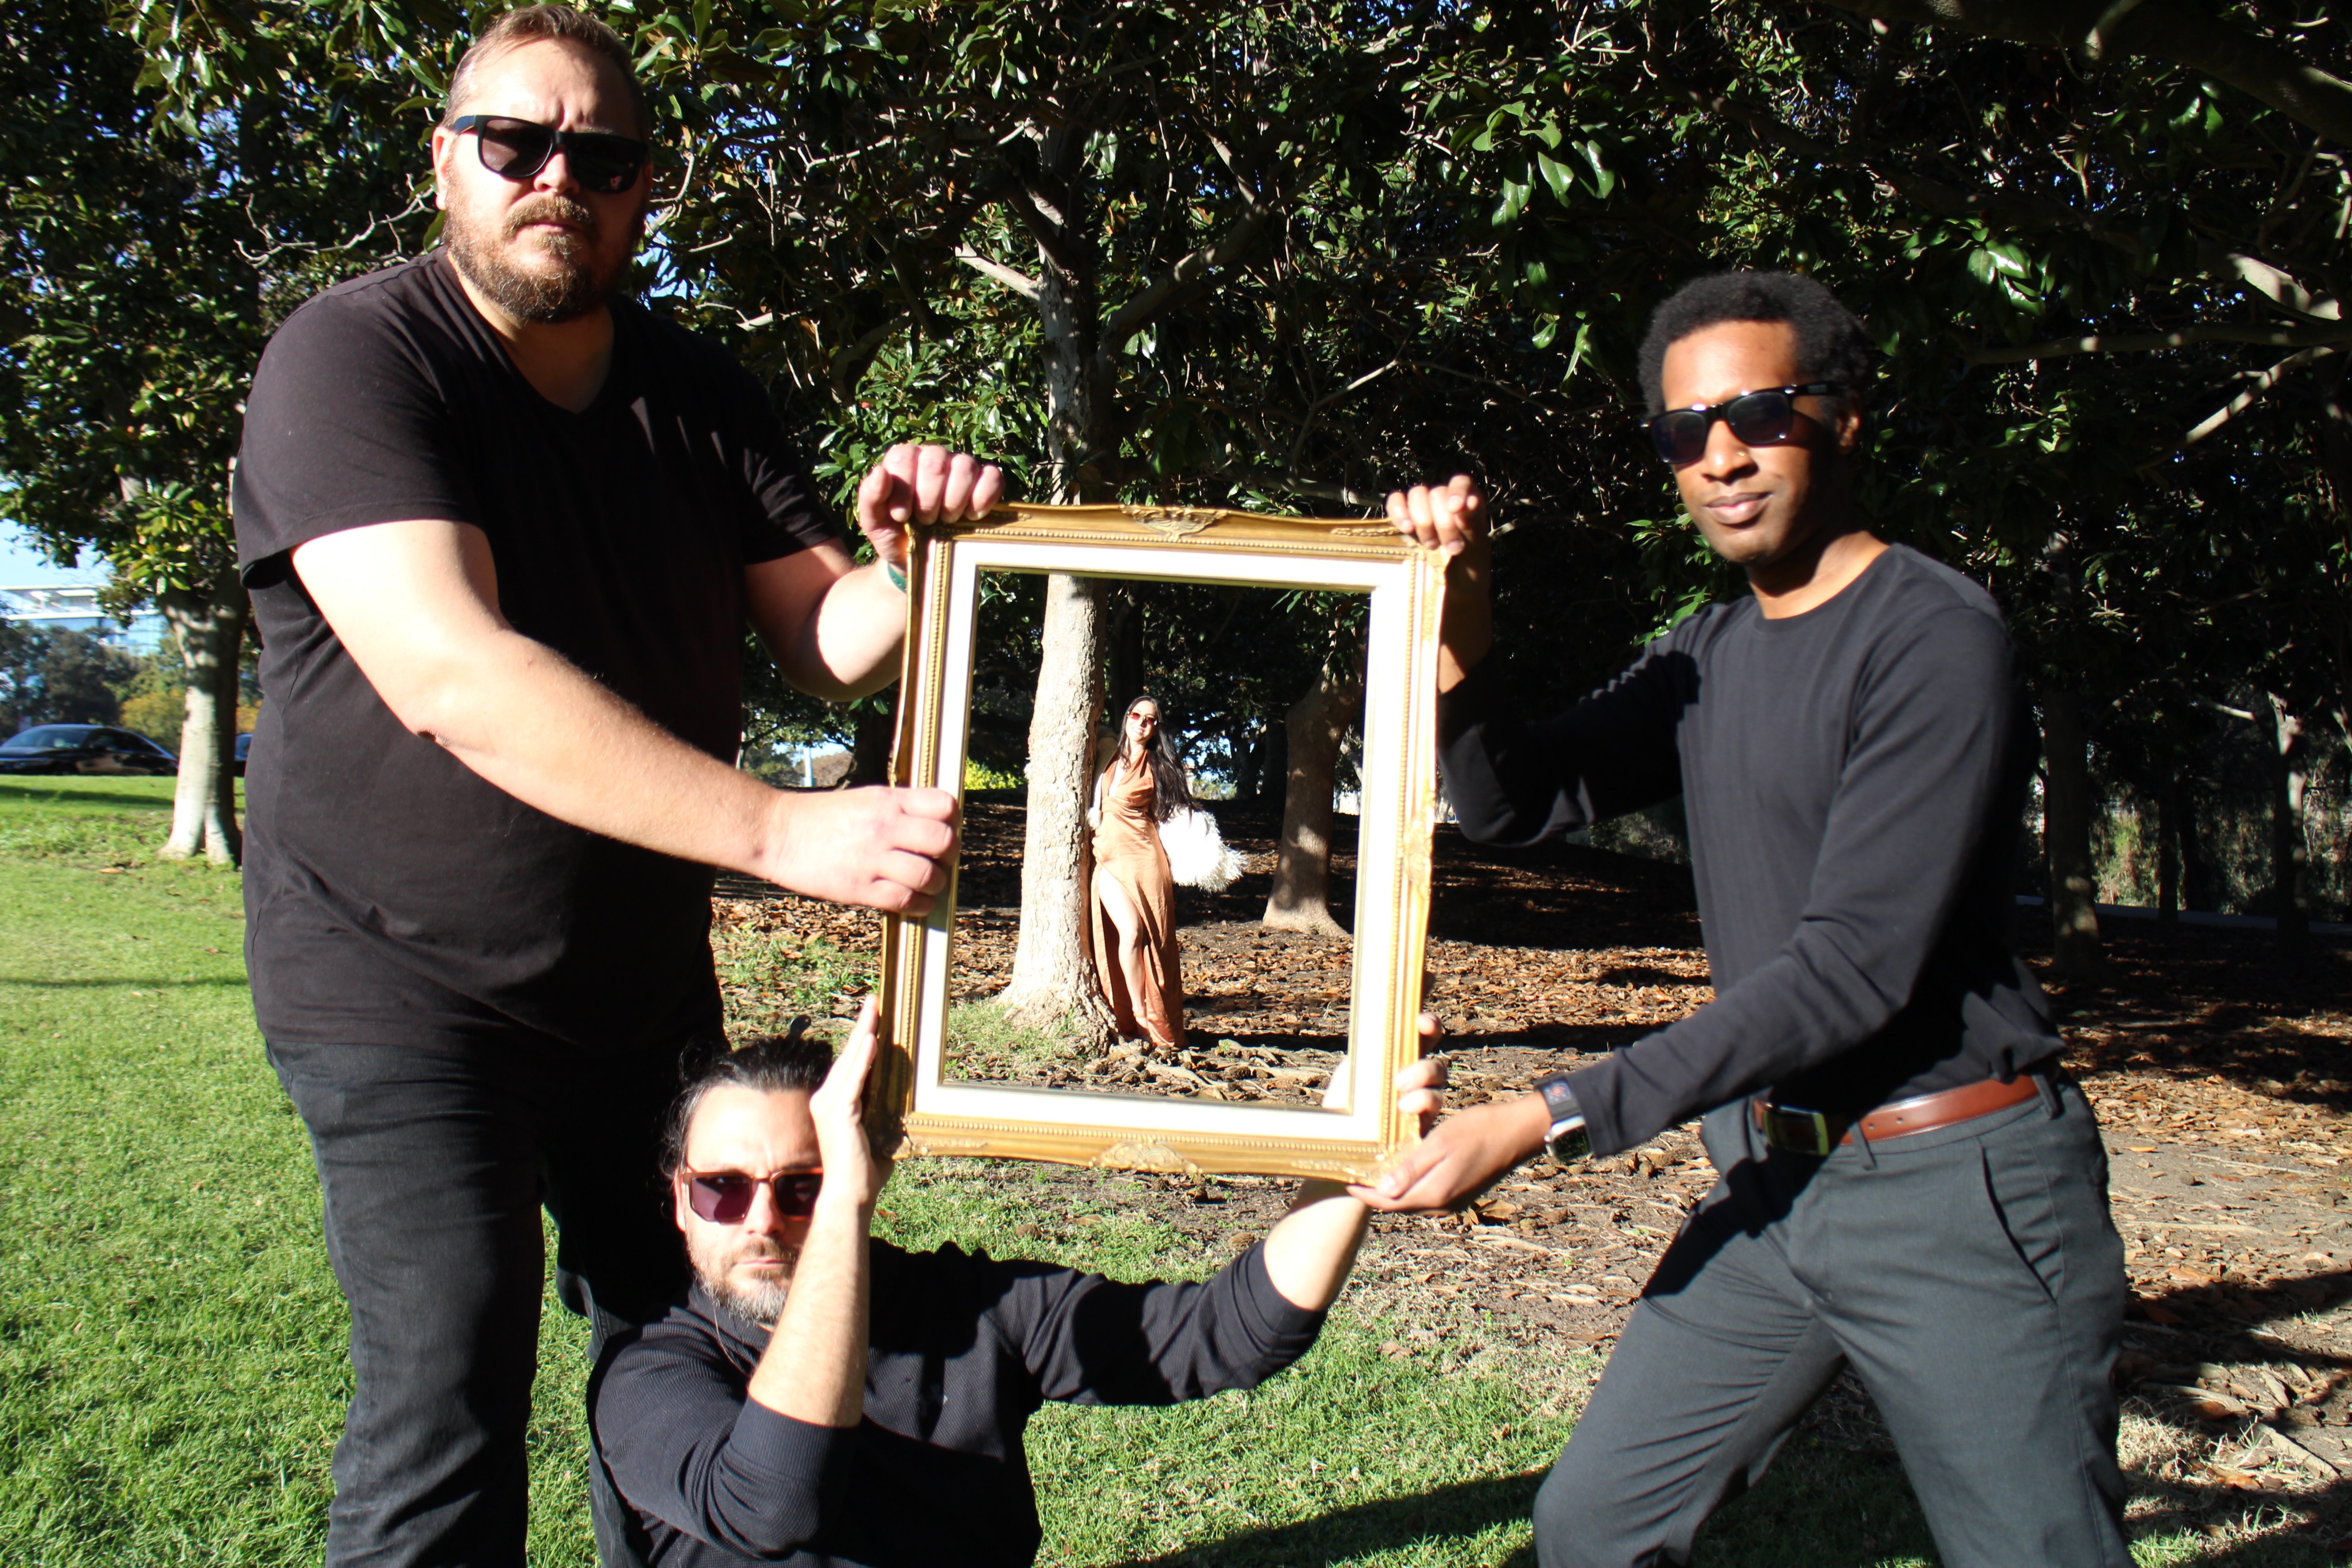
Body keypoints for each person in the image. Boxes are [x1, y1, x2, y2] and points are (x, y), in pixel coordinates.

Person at [229, 8, 1003, 1565]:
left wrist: (931, 558)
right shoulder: (355, 356)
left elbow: (823, 632)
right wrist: (786, 832)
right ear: (445, 159)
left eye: (602, 154)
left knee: (689, 1352)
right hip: (397, 984)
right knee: (448, 1385)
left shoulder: (695, 392)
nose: (555, 176)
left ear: (645, 188)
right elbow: (455, 674)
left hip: (638, 998)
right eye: (514, 141)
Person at [1365, 272, 2129, 1567]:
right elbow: (1516, 803)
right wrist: (1464, 607)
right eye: (1683, 431)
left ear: (1842, 419)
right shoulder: (1706, 650)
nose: (1719, 455)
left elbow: (1850, 971)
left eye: (1759, 414)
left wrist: (1547, 1110)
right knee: (1596, 1527)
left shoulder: (1934, 637)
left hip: (1955, 1190)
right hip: (1780, 1179)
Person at [593, 1002, 1448, 1567]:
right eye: (724, 1187)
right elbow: (772, 1501)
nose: (759, 1218)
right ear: (680, 1199)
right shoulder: (652, 1371)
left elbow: (1227, 1335)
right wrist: (842, 1208)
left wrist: (1351, 1152)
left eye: (803, 1186)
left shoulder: (968, 1313)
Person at [1088, 694, 1188, 1050]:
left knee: (1153, 942)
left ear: (1156, 727)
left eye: (1151, 720)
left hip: (1145, 858)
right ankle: (1133, 1012)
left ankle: (1153, 1019)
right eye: (1136, 715)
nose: (1142, 723)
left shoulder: (1159, 766)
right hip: (1108, 857)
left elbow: (1177, 814)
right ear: (1126, 717)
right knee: (1128, 933)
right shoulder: (1104, 752)